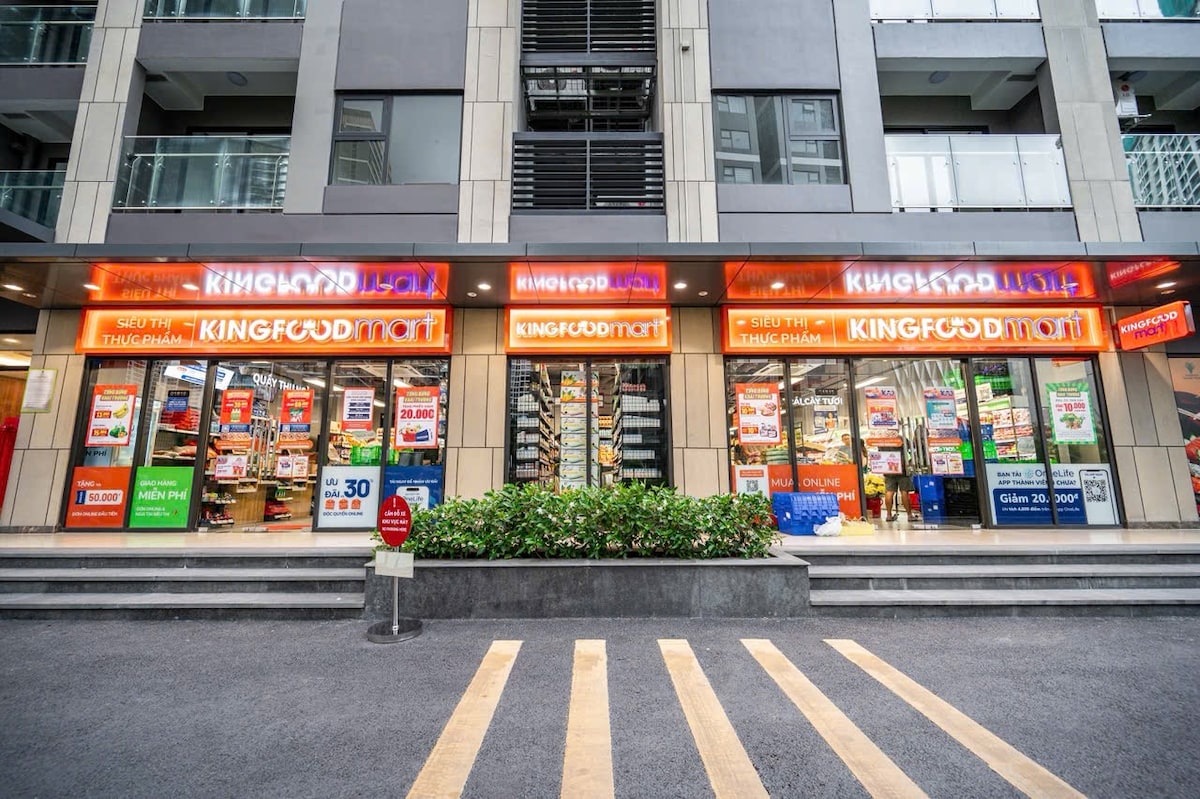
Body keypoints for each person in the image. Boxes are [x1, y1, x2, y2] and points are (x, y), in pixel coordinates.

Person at [883, 446, 915, 522]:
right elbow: (910, 450)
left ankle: (888, 515)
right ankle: (909, 515)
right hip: (902, 470)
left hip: (888, 469)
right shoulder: (901, 439)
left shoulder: (883, 441)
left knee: (889, 492)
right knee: (904, 492)